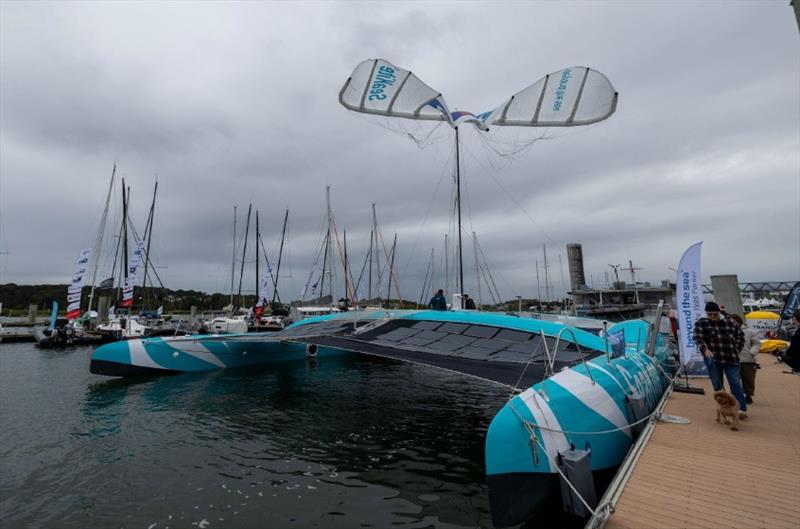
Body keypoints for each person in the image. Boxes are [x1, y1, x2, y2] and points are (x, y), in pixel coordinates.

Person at [693, 301, 748, 417]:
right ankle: (722, 408)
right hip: (713, 359)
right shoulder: (701, 323)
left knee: (735, 383)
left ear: (719, 312)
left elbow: (741, 336)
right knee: (717, 386)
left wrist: (737, 349)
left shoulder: (730, 322)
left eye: (715, 314)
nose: (713, 317)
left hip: (731, 358)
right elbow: (697, 337)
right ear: (706, 313)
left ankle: (740, 408)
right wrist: (705, 349)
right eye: (710, 314)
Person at [729, 314, 760, 404]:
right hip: (732, 359)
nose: (733, 324)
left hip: (747, 359)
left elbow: (756, 343)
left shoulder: (750, 332)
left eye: (734, 322)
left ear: (739, 321)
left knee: (748, 379)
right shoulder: (728, 331)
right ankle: (736, 395)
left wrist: (753, 352)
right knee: (734, 380)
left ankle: (748, 395)